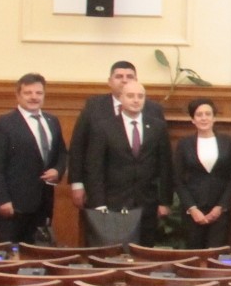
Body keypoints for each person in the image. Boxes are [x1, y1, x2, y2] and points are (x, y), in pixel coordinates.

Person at [68, 60, 166, 211]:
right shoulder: (94, 106)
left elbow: (162, 156)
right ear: (110, 81)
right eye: (119, 76)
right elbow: (78, 145)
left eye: (130, 76)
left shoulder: (153, 109)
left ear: (136, 80)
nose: (124, 80)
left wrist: (164, 199)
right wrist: (77, 183)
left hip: (143, 195)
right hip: (104, 190)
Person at [0, 74, 66, 244]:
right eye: (28, 93)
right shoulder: (4, 124)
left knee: (39, 252)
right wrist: (1, 199)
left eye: (38, 93)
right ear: (18, 95)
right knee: (10, 253)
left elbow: (62, 154)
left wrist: (58, 170)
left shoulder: (52, 121)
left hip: (43, 203)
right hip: (13, 205)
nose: (34, 97)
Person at [170, 99, 231, 248]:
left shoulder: (228, 142)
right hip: (193, 210)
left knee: (217, 254)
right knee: (194, 254)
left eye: (208, 114)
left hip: (220, 211)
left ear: (214, 118)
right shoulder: (184, 143)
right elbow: (178, 179)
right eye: (199, 114)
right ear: (193, 119)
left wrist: (220, 207)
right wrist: (192, 209)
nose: (204, 118)